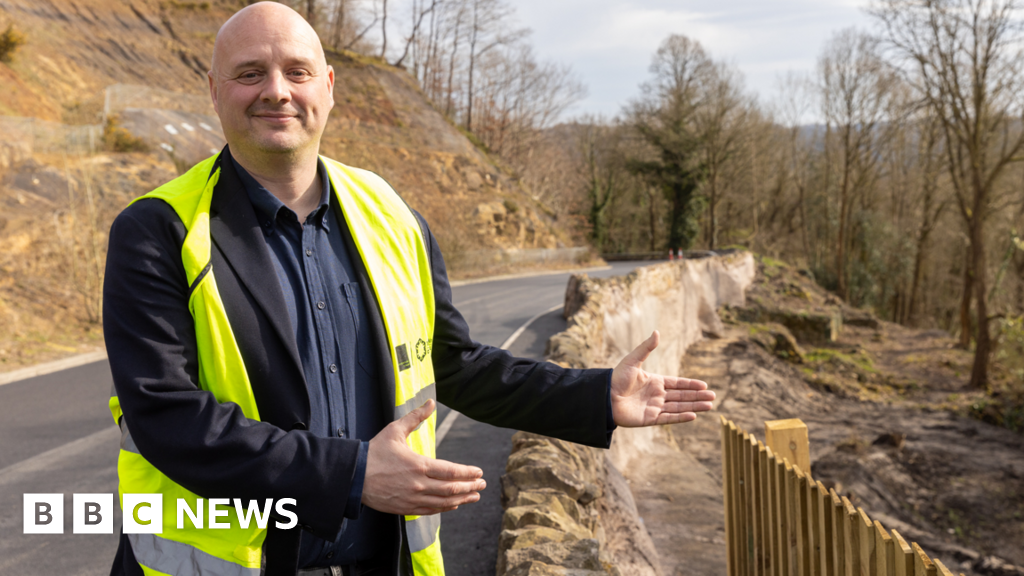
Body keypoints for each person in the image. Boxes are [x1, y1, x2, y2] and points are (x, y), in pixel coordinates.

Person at [101, 3, 716, 576]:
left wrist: (592, 395)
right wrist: (355, 474)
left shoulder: (392, 216)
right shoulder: (159, 230)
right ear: (214, 91)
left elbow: (453, 364)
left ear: (329, 87)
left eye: (297, 71)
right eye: (249, 73)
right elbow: (166, 416)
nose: (277, 91)